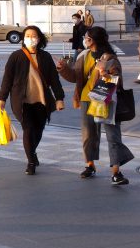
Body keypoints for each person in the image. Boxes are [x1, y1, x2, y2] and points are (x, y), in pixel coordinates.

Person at [56, 26, 134, 185]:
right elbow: (75, 77)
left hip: (105, 100)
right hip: (86, 99)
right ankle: (90, 165)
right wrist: (63, 69)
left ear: (95, 40)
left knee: (113, 136)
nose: (85, 39)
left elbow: (116, 80)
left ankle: (116, 172)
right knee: (88, 134)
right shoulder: (84, 56)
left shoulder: (109, 58)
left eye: (87, 37)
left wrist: (105, 73)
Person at [0, 26, 66, 174]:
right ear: (23, 38)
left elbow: (54, 80)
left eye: (33, 35)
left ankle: (32, 152)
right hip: (22, 101)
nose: (30, 38)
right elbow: (7, 79)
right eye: (27, 35)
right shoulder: (16, 56)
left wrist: (59, 98)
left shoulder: (45, 56)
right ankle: (30, 162)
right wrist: (2, 98)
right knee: (28, 130)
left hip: (41, 100)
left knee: (38, 130)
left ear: (39, 38)